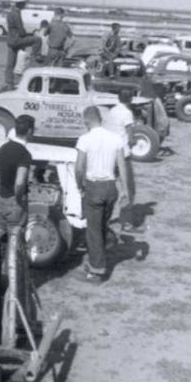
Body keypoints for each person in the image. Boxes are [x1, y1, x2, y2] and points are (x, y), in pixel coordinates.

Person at [0, 115, 35, 345]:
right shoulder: (24, 155)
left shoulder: (4, 148)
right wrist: (18, 199)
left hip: (2, 205)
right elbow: (20, 182)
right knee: (16, 253)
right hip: (16, 205)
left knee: (2, 246)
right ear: (31, 131)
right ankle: (16, 303)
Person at [75, 106, 129, 283]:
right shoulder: (115, 139)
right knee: (103, 226)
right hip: (111, 187)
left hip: (94, 187)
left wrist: (79, 185)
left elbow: (79, 167)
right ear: (101, 119)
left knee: (93, 231)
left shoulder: (84, 139)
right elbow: (122, 166)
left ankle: (96, 271)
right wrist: (125, 190)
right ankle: (97, 259)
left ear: (87, 121)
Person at [103, 89, 136, 218]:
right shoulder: (127, 113)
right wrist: (133, 143)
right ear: (131, 99)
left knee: (110, 186)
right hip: (123, 155)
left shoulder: (112, 111)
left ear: (118, 98)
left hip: (110, 153)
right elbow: (131, 136)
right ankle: (125, 219)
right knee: (128, 188)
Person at [3, 0, 42, 90]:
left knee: (10, 64)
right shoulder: (17, 14)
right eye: (24, 4)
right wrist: (27, 35)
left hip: (11, 41)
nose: (25, 5)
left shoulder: (10, 13)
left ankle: (9, 83)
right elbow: (21, 30)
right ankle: (33, 58)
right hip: (17, 40)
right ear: (19, 4)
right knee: (37, 40)